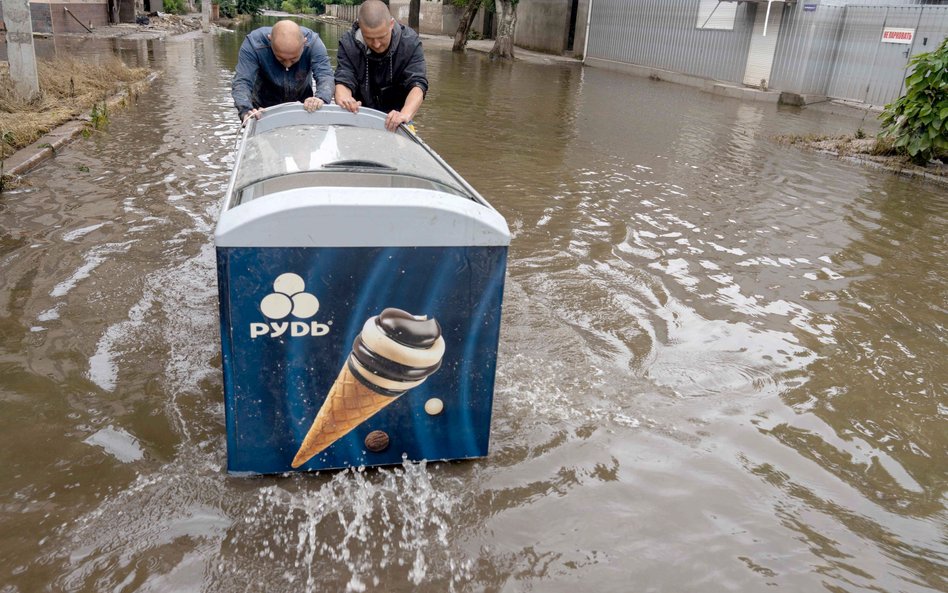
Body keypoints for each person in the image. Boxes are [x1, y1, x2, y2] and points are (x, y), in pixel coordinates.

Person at [334, 0, 429, 132]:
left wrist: (405, 114)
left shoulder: (410, 43)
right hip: (358, 114)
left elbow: (418, 84)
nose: (377, 44)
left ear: (391, 24)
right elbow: (344, 78)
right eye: (369, 38)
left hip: (397, 117)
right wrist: (345, 99)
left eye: (381, 37)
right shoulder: (348, 43)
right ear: (360, 26)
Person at [231, 20, 334, 124]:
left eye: (294, 59)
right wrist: (245, 110)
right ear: (270, 40)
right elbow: (242, 82)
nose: (287, 64)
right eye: (281, 59)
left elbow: (325, 75)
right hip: (262, 110)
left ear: (304, 42)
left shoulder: (314, 43)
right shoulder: (254, 44)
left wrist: (321, 98)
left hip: (302, 108)